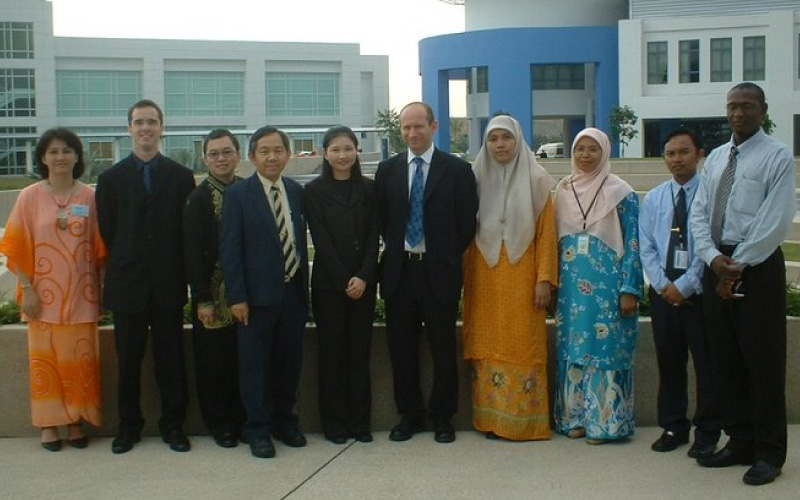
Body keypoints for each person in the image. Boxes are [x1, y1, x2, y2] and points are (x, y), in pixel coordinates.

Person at [690, 82, 796, 486]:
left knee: (763, 362)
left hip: (757, 265)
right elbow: (700, 214)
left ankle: (770, 453)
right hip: (716, 261)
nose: (738, 113)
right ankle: (739, 442)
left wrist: (737, 266)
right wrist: (714, 260)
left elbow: (775, 218)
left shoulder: (778, 156)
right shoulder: (716, 158)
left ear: (762, 109)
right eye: (732, 106)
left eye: (747, 106)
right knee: (726, 361)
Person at [95, 99, 196, 454]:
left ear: (162, 128)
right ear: (129, 129)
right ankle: (129, 427)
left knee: (171, 361)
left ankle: (174, 427)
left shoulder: (182, 178)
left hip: (168, 284)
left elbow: (186, 232)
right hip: (128, 286)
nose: (146, 128)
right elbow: (108, 230)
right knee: (129, 362)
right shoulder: (109, 180)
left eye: (152, 122)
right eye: (139, 122)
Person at [374, 102, 478, 444]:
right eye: (405, 127)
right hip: (399, 273)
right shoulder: (387, 170)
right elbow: (383, 220)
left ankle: (442, 416)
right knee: (401, 351)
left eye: (418, 126)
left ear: (434, 127)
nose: (412, 133)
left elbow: (466, 224)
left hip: (439, 273)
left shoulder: (457, 170)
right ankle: (410, 415)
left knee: (443, 349)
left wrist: (443, 256)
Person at [0, 128, 106, 451]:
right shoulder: (29, 197)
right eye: (53, 151)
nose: (60, 157)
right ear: (43, 157)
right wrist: (27, 289)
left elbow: (100, 249)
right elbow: (15, 247)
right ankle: (48, 424)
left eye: (67, 150)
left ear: (77, 156)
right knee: (45, 361)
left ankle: (74, 421)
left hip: (81, 296)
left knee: (79, 359)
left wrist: (101, 291)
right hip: (41, 297)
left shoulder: (89, 196)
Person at [461, 115, 557, 441]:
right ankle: (491, 419)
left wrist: (544, 278)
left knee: (521, 342)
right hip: (483, 276)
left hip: (523, 275)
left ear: (518, 140)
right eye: (493, 139)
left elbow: (546, 234)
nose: (500, 144)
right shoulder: (474, 179)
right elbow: (463, 232)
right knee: (488, 343)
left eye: (506, 137)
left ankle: (522, 421)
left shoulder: (537, 179)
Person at [220, 125, 309, 459]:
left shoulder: (296, 192)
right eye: (265, 151)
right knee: (254, 367)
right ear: (252, 156)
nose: (273, 157)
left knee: (289, 365)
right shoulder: (238, 195)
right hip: (255, 300)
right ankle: (258, 430)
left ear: (287, 154)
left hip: (293, 296)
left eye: (279, 150)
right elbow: (231, 249)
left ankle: (287, 423)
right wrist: (237, 297)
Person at [552, 127, 643, 444]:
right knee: (574, 348)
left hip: (608, 288)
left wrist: (629, 288)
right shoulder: (563, 189)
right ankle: (573, 418)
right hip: (572, 288)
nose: (585, 155)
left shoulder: (622, 192)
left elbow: (633, 243)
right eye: (580, 149)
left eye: (593, 149)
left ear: (604, 152)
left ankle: (606, 423)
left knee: (605, 348)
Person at [639, 128, 721, 458]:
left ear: (699, 153)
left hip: (700, 291)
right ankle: (674, 426)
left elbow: (710, 243)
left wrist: (686, 285)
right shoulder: (656, 197)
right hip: (664, 291)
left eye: (684, 152)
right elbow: (647, 247)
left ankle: (708, 431)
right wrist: (662, 285)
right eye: (671, 153)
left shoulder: (711, 195)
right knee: (670, 363)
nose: (677, 159)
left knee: (707, 364)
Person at [305, 126, 379, 445]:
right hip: (328, 287)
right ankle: (334, 424)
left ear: (356, 151)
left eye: (347, 148)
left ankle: (360, 424)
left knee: (359, 356)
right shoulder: (314, 191)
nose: (342, 155)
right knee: (332, 357)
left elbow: (374, 237)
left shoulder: (370, 189)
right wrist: (343, 280)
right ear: (325, 153)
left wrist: (363, 276)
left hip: (363, 285)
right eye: (335, 149)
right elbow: (320, 239)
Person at [182, 129, 246, 448]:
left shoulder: (249, 191)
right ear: (206, 159)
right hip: (213, 296)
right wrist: (203, 300)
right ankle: (220, 424)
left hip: (245, 294)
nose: (221, 159)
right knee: (213, 364)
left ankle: (243, 420)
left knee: (242, 360)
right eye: (214, 154)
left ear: (238, 154)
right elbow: (192, 255)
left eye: (226, 152)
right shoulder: (198, 199)